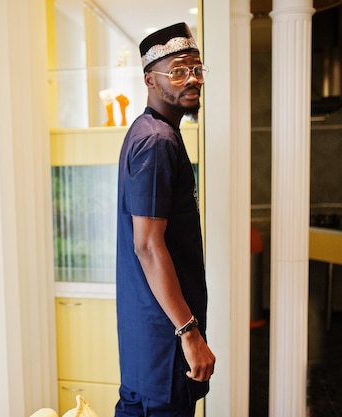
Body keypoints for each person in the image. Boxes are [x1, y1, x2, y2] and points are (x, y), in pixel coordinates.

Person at [115, 22, 216, 417]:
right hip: (166, 344)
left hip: (152, 344)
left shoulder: (155, 133)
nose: (191, 78)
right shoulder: (156, 141)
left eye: (196, 68)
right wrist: (190, 334)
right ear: (150, 80)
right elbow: (147, 245)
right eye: (177, 70)